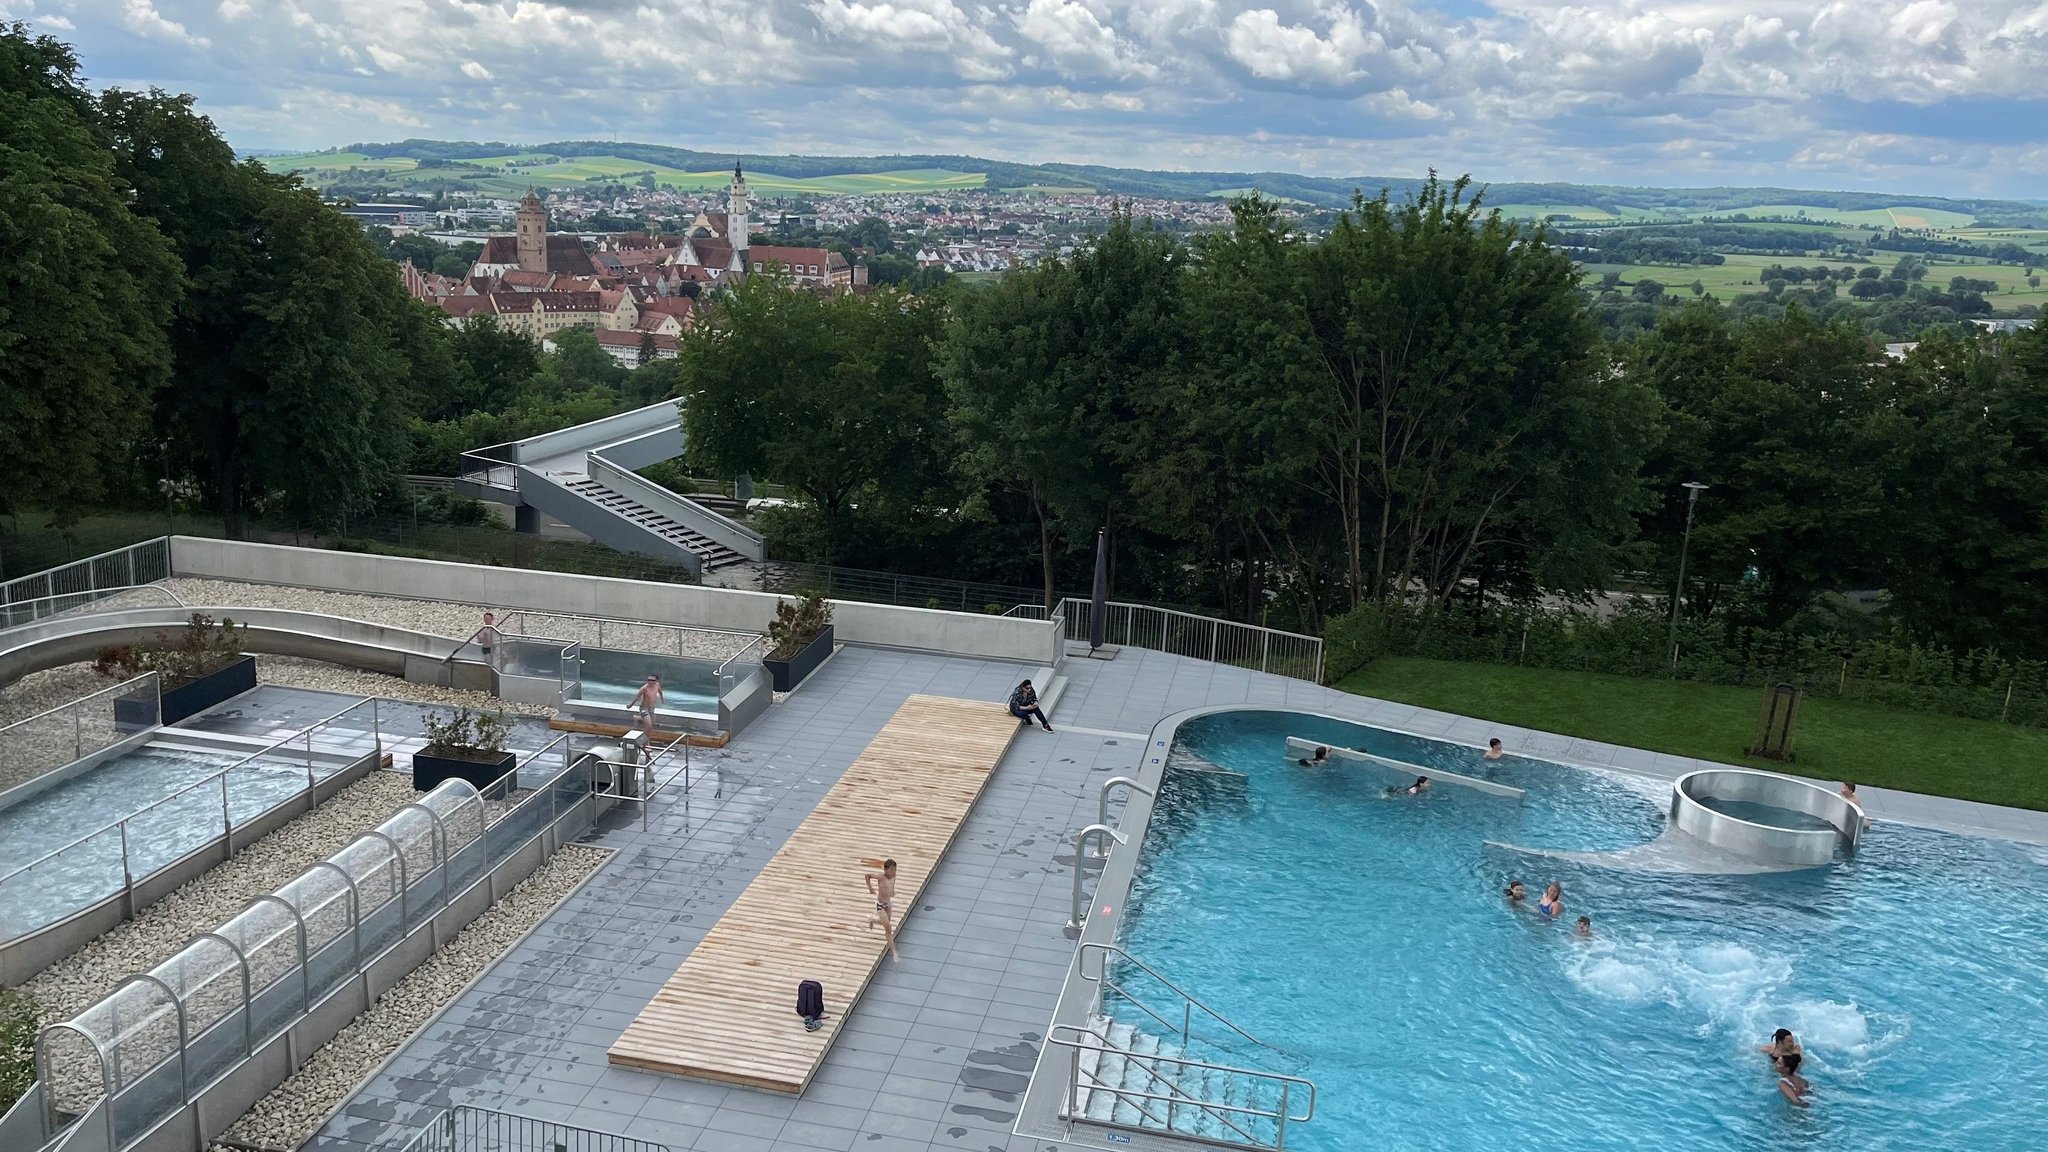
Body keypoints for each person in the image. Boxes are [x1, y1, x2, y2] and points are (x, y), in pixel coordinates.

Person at [865, 858, 900, 962]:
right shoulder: (881, 877)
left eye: (895, 870)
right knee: (888, 928)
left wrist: (893, 891)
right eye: (892, 870)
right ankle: (894, 952)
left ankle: (872, 920)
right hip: (880, 905)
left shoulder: (893, 877)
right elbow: (867, 875)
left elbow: (893, 883)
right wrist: (870, 888)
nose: (894, 872)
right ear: (886, 870)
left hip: (888, 904)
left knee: (886, 924)